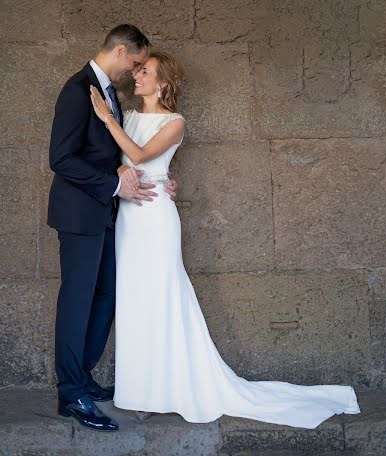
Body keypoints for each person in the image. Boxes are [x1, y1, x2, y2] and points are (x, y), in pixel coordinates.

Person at [89, 50, 361, 429]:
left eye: (145, 71)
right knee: (134, 299)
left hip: (155, 219)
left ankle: (168, 387)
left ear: (162, 82)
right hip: (130, 219)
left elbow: (140, 153)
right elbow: (123, 159)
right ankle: (140, 390)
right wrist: (119, 165)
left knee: (163, 296)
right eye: (137, 70)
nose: (137, 76)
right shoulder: (130, 116)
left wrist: (106, 120)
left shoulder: (175, 122)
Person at [48, 24, 178, 432]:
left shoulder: (107, 93)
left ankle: (83, 376)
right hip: (80, 216)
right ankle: (71, 394)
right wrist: (115, 183)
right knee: (77, 301)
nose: (134, 73)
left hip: (105, 214)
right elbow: (61, 158)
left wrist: (142, 176)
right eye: (136, 63)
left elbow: (112, 153)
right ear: (122, 51)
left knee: (103, 298)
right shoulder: (76, 90)